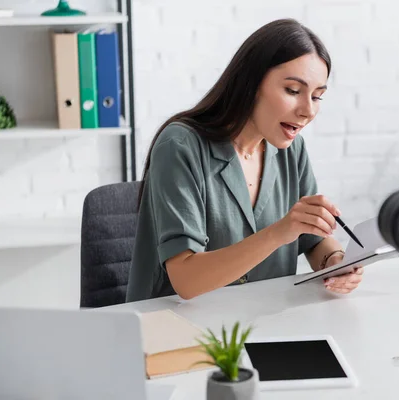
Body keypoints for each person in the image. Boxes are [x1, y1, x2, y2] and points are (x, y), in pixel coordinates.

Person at [126, 18, 363, 302]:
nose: (308, 111)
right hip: (177, 329)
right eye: (293, 91)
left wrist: (335, 262)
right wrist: (278, 233)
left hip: (262, 323)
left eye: (317, 96)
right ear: (251, 84)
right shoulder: (180, 146)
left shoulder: (291, 150)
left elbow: (312, 238)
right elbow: (185, 280)